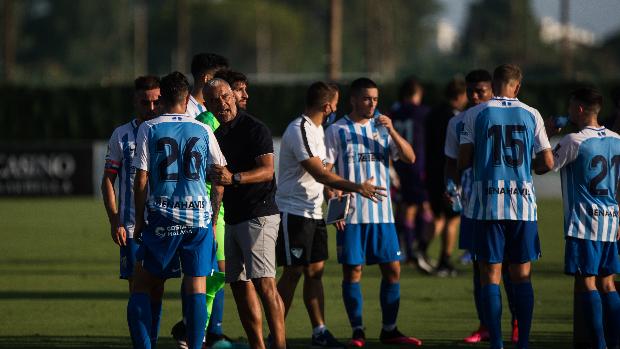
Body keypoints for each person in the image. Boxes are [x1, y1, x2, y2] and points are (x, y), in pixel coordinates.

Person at [275, 81, 387, 348]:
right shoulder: (298, 129)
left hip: (314, 211)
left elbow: (324, 176)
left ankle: (319, 331)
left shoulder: (318, 130)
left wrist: (332, 196)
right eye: (335, 104)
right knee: (293, 273)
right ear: (327, 106)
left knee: (315, 272)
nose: (336, 108)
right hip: (295, 212)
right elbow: (320, 172)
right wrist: (357, 187)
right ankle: (275, 333)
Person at [127, 71, 226, 349]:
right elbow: (220, 177)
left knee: (142, 286)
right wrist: (212, 216)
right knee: (197, 286)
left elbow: (142, 178)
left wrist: (139, 220)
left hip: (163, 218)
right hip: (198, 220)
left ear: (162, 99)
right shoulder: (204, 129)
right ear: (186, 99)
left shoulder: (150, 128)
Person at [458, 64, 554, 349]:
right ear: (517, 86)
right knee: (521, 276)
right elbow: (547, 162)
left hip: (487, 204)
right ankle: (522, 342)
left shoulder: (475, 113)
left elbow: (463, 160)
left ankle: (497, 343)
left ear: (494, 83)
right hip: (523, 205)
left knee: (490, 276)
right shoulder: (532, 113)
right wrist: (529, 166)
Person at [324, 78, 421, 347]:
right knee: (353, 271)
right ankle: (358, 330)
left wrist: (392, 131)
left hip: (382, 215)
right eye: (367, 99)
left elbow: (410, 158)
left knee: (392, 270)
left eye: (375, 99)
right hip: (353, 215)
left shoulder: (382, 129)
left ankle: (389, 329)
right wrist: (335, 210)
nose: (372, 104)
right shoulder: (337, 130)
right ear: (353, 100)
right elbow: (326, 173)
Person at [205, 78, 286, 349]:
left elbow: (267, 170)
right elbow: (218, 183)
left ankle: (280, 344)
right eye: (214, 100)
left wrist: (235, 178)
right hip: (233, 218)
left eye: (225, 96)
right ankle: (257, 345)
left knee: (264, 283)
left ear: (233, 96)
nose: (222, 103)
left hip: (259, 214)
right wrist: (213, 221)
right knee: (239, 286)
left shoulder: (255, 128)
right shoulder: (215, 136)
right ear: (208, 104)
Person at [445, 69, 519, 344]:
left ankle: (515, 323)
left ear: (493, 91)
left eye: (481, 91)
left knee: (510, 265)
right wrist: (450, 186)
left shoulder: (504, 116)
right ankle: (486, 324)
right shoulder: (458, 122)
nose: (475, 96)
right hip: (473, 206)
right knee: (480, 266)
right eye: (471, 91)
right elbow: (451, 162)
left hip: (505, 202)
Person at [543, 87, 620, 349]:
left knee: (587, 281)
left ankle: (598, 343)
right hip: (611, 220)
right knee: (608, 282)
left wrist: (547, 134)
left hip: (584, 223)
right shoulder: (617, 139)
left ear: (578, 109)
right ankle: (614, 341)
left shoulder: (574, 140)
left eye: (569, 106)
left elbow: (542, 166)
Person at [102, 76, 173, 348]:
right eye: (145, 102)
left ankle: (151, 340)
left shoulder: (168, 132)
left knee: (158, 289)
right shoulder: (122, 135)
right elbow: (108, 179)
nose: (151, 107)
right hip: (132, 227)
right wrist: (114, 220)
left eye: (157, 101)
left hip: (164, 226)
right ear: (135, 101)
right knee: (138, 289)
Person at [389, 76, 434, 273]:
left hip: (397, 167)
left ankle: (404, 249)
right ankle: (413, 249)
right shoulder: (422, 112)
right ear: (417, 94)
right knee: (421, 210)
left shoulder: (393, 112)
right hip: (416, 167)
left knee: (402, 209)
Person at [425, 77, 468, 277]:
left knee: (439, 216)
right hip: (449, 174)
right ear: (460, 96)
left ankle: (421, 249)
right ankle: (444, 259)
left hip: (432, 172)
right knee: (452, 219)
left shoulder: (433, 113)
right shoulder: (457, 118)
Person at [186, 53, 229, 117]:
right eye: (221, 77)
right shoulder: (186, 110)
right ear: (207, 79)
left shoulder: (221, 107)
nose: (224, 82)